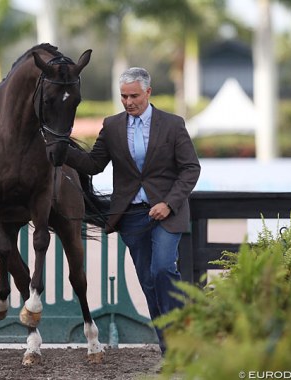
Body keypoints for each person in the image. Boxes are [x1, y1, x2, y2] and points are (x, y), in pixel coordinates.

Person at [65, 67, 201, 354]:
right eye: (124, 96)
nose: (129, 102)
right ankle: (170, 348)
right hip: (132, 217)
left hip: (167, 213)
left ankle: (182, 338)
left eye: (134, 96)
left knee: (163, 269)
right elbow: (93, 165)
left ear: (148, 92)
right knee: (149, 283)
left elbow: (191, 168)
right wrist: (62, 149)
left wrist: (169, 203)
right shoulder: (113, 126)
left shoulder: (173, 124)